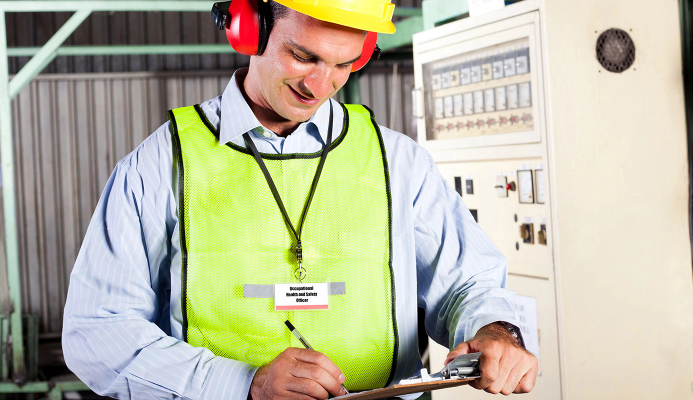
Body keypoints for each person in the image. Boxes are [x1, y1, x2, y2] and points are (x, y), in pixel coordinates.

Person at [62, 0, 539, 399]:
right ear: (249, 27)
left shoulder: (399, 162)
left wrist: (496, 331)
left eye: (343, 64)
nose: (319, 86)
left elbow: (467, 283)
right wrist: (243, 384)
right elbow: (98, 333)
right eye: (303, 56)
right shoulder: (159, 165)